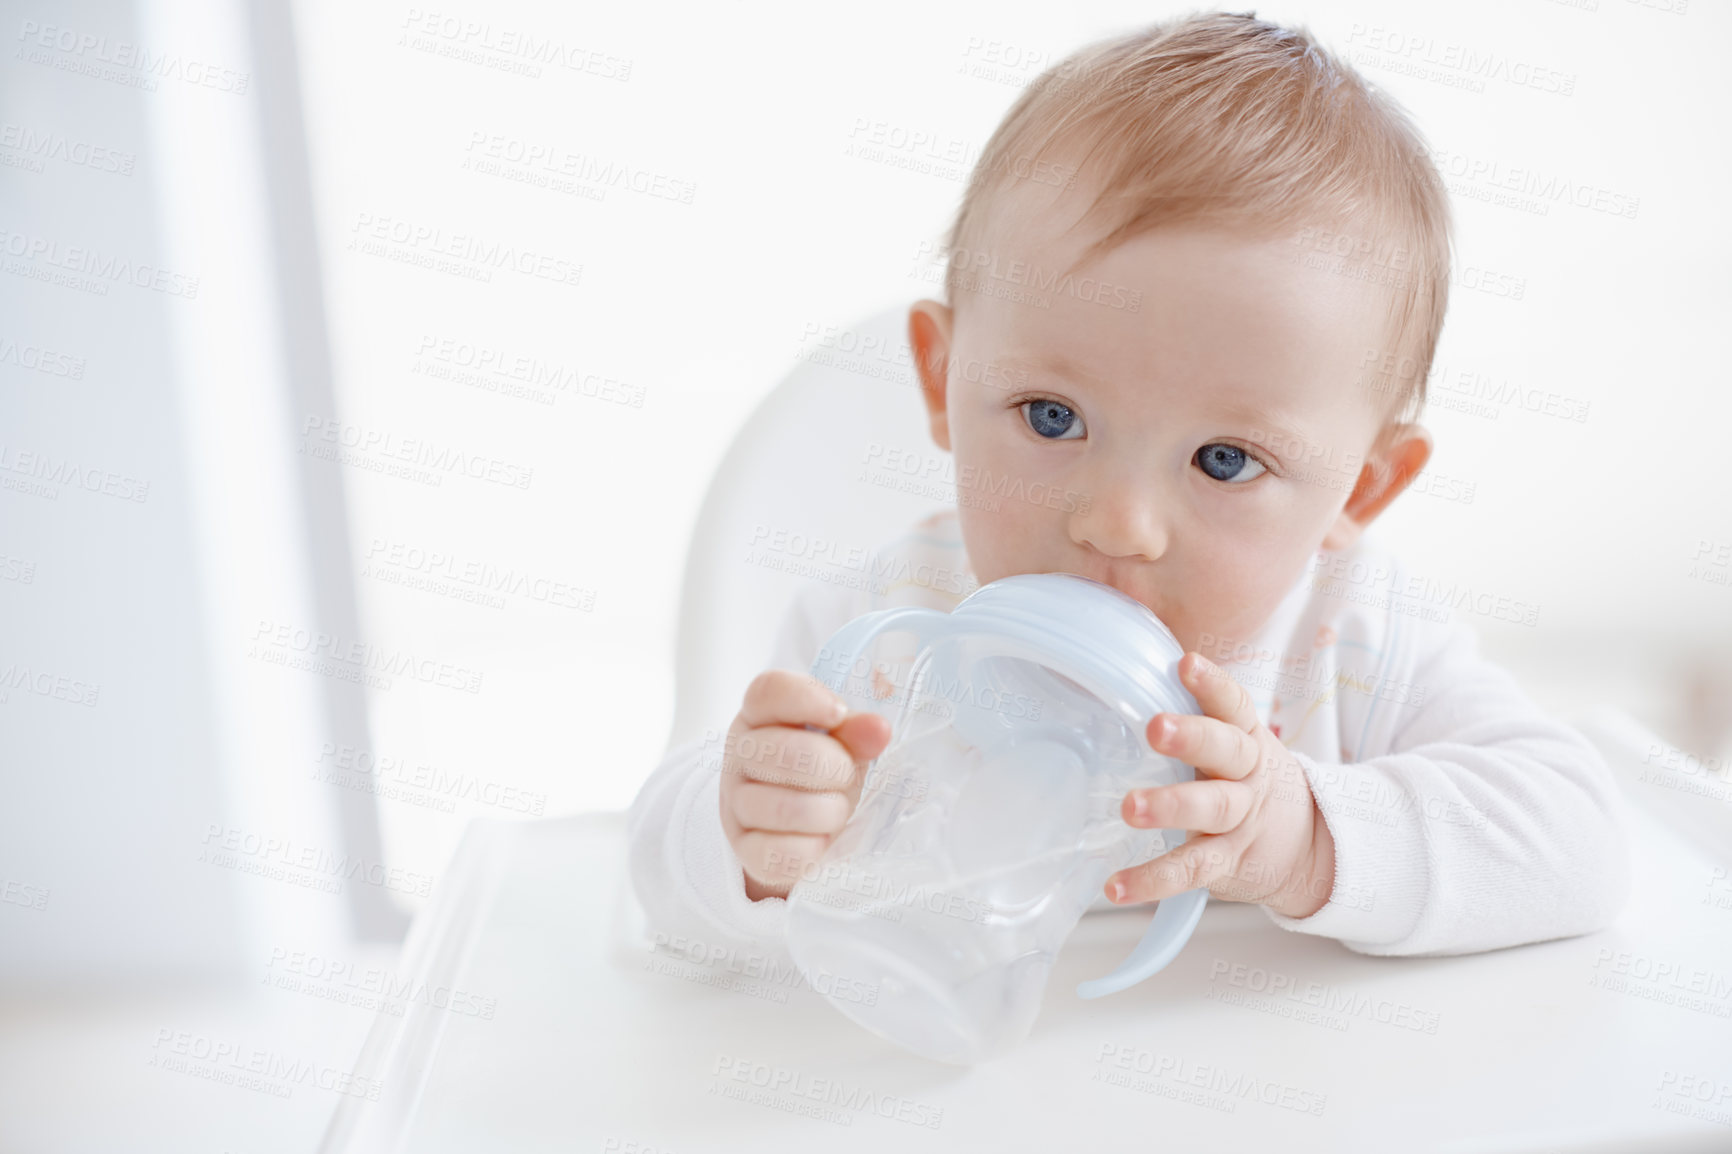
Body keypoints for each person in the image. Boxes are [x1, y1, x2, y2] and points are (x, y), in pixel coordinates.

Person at [629, 12, 1631, 961]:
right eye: (1051, 416)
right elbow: (662, 895)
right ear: (942, 379)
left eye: (1224, 460)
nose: (1117, 521)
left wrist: (1302, 836)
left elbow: (1579, 840)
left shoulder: (1350, 644)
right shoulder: (883, 633)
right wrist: (748, 837)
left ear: (1357, 490)